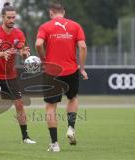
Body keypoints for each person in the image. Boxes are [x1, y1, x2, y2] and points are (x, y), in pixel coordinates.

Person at [0, 2, 36, 145]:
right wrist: (2, 54)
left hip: (9, 75)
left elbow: (22, 50)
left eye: (14, 17)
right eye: (9, 18)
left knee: (19, 104)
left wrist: (25, 54)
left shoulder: (19, 33)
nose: (12, 20)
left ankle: (25, 137)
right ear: (2, 17)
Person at [35, 1, 88, 152]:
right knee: (72, 98)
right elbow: (83, 46)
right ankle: (71, 128)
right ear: (63, 12)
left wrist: (44, 59)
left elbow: (38, 44)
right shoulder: (75, 26)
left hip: (52, 71)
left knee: (51, 106)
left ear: (51, 13)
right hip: (71, 70)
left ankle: (55, 144)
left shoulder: (45, 26)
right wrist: (82, 68)